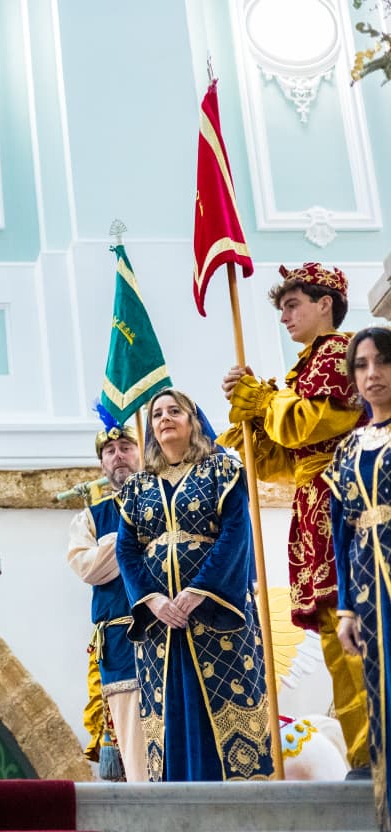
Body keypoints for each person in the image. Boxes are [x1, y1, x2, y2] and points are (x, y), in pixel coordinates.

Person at [219, 262, 368, 773]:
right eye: (281, 307)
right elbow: (285, 459)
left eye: (292, 304)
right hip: (312, 508)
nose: (284, 317)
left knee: (357, 635)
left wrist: (265, 402)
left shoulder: (338, 355)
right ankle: (363, 759)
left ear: (325, 304)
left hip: (343, 504)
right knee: (335, 643)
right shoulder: (302, 370)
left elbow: (312, 422)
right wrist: (253, 421)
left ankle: (376, 757)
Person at [116, 388, 273, 781]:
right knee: (168, 714)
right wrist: (152, 600)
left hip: (217, 617)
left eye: (175, 411)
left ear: (194, 421)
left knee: (219, 711)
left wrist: (199, 590)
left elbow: (236, 533)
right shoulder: (137, 488)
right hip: (160, 626)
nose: (164, 418)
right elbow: (126, 550)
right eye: (157, 415)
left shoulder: (223, 470)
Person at [328, 326, 391, 828]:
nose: (373, 375)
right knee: (383, 703)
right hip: (371, 596)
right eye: (362, 365)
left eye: (383, 363)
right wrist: (346, 607)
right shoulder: (348, 450)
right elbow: (341, 535)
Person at [65, 410, 145, 782]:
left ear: (142, 451)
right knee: (130, 743)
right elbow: (88, 569)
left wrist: (111, 548)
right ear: (101, 462)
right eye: (110, 450)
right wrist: (127, 539)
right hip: (118, 641)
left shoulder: (166, 502)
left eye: (126, 446)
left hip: (170, 633)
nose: (118, 455)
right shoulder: (91, 518)